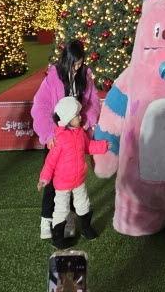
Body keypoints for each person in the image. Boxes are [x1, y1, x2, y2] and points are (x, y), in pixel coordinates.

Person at [30, 41, 101, 240]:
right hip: (56, 137)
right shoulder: (53, 78)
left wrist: (85, 123)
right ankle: (46, 219)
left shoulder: (85, 76)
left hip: (75, 136)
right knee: (52, 181)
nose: (77, 67)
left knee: (74, 178)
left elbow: (92, 102)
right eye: (74, 64)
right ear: (66, 61)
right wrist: (48, 134)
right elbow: (41, 106)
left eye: (80, 63)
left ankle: (67, 218)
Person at [38, 96, 108, 248]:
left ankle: (86, 228)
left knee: (84, 204)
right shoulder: (60, 139)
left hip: (79, 180)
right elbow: (50, 161)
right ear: (67, 119)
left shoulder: (80, 133)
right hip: (62, 183)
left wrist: (104, 146)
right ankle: (57, 238)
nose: (80, 117)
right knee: (61, 210)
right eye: (76, 115)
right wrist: (44, 178)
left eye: (78, 114)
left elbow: (88, 147)